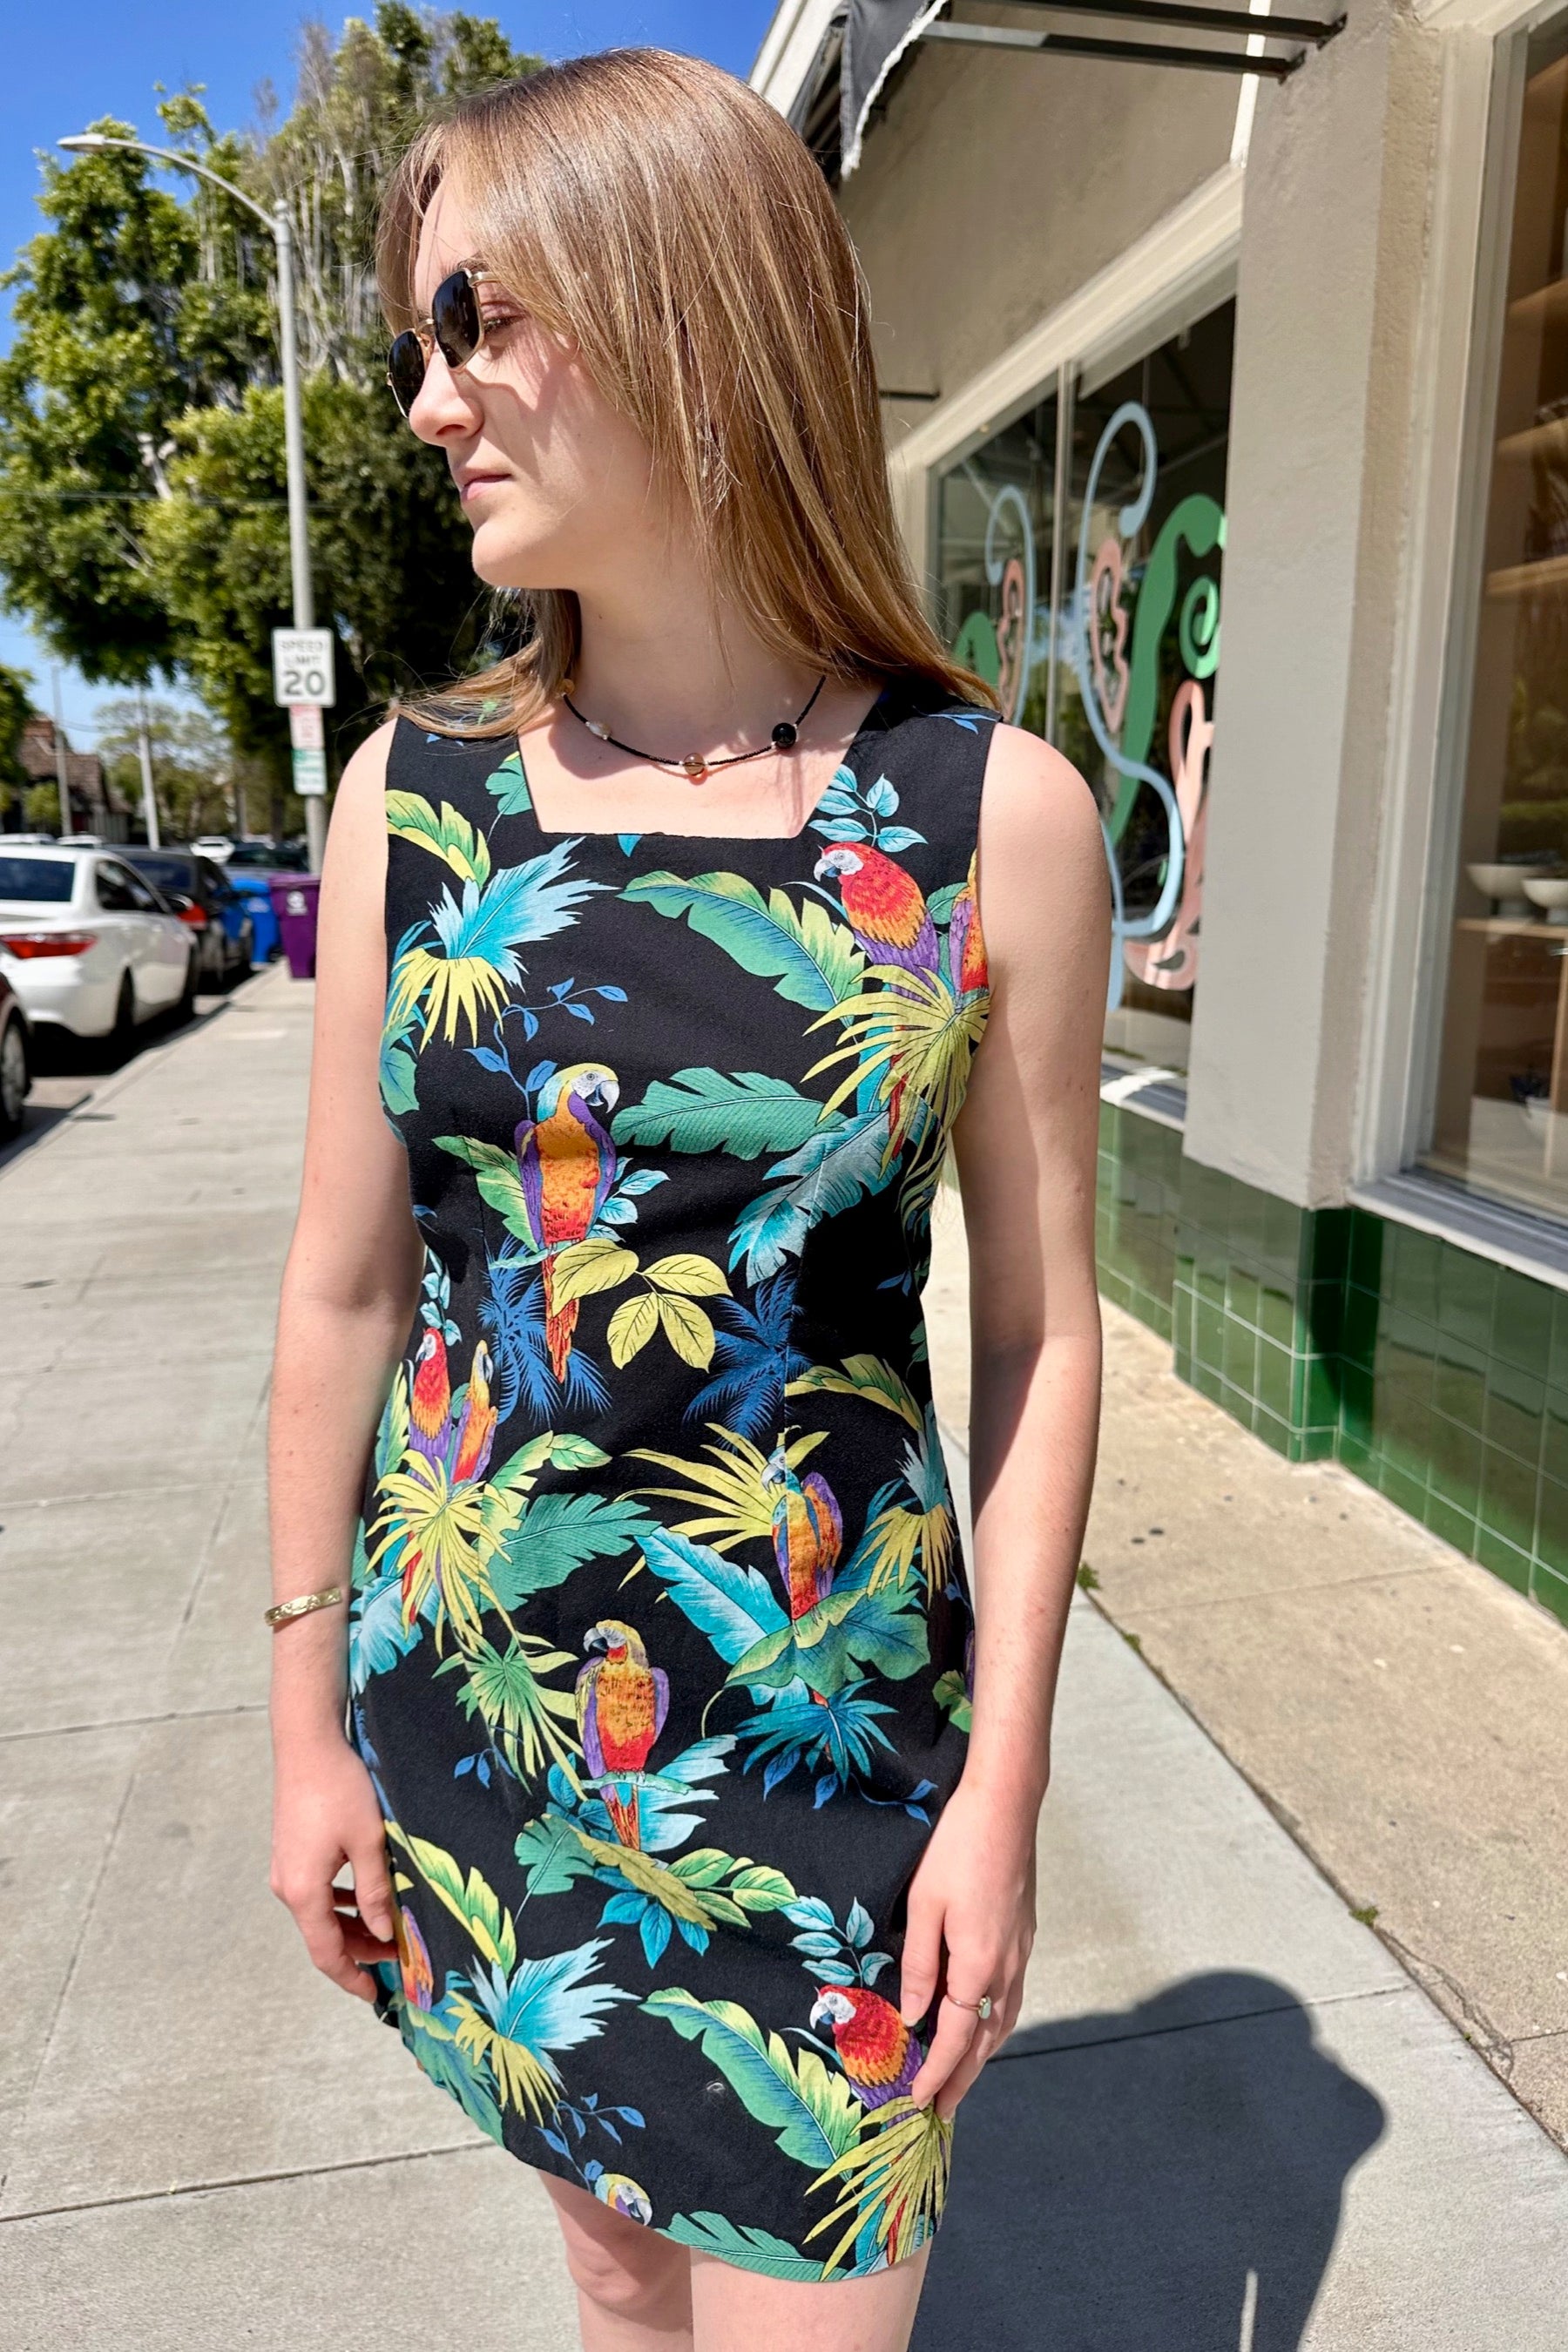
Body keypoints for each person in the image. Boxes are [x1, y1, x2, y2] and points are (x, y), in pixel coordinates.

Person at [267, 47, 1107, 2352]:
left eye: (475, 323)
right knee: (615, 2274)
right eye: (419, 340)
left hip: (833, 1760)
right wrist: (307, 1720)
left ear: (678, 306)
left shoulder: (988, 817)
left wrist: (1005, 1785)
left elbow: (1041, 1333)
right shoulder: (411, 800)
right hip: (479, 1723)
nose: (429, 403)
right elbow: (342, 1290)